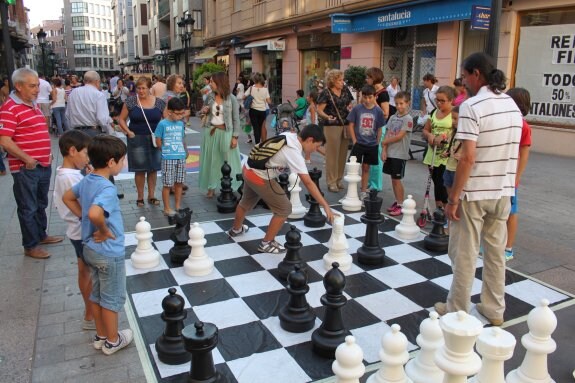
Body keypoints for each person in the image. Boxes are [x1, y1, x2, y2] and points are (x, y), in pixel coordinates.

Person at [434, 52, 523, 326]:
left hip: (474, 192)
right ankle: (494, 309)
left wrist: (453, 197)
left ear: (476, 74)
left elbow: (468, 158)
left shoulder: (474, 106)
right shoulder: (512, 105)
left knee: (465, 252)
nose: (463, 83)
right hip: (502, 191)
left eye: (463, 76)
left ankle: (457, 309)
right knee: (496, 254)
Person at [62, 135, 133, 355]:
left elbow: (67, 197)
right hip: (108, 252)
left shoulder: (88, 178)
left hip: (89, 249)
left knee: (97, 294)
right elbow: (95, 213)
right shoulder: (108, 188)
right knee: (112, 298)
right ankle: (113, 340)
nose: (123, 164)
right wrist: (103, 229)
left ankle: (101, 335)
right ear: (111, 162)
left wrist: (84, 217)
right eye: (122, 160)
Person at [228, 124, 335, 253]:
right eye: (317, 146)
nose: (315, 150)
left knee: (245, 202)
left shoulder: (290, 136)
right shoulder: (294, 152)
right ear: (310, 140)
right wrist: (325, 205)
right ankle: (267, 243)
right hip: (259, 176)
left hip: (248, 168)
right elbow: (308, 182)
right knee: (284, 208)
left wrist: (323, 151)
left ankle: (236, 230)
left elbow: (304, 147)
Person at [0, 68, 63, 259]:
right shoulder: (9, 108)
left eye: (37, 85)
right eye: (32, 86)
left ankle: (41, 234)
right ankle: (30, 245)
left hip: (42, 164)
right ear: (18, 86)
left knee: (40, 202)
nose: (37, 89)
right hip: (26, 167)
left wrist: (47, 154)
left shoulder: (31, 104)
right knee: (28, 206)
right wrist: (27, 158)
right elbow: (4, 140)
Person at [53, 130, 95, 330]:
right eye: (85, 153)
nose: (87, 158)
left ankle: (89, 312)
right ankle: (91, 312)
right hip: (82, 231)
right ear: (72, 151)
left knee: (83, 269)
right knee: (89, 271)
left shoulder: (67, 173)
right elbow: (79, 205)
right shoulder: (69, 178)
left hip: (76, 231)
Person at [66, 71, 123, 199]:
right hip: (93, 131)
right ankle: (108, 190)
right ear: (97, 82)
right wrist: (109, 132)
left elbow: (67, 115)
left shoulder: (73, 93)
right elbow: (102, 118)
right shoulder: (98, 95)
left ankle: (83, 192)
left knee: (81, 163)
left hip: (76, 131)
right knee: (102, 161)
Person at [116, 76, 165, 207]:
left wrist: (164, 134)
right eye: (138, 88)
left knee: (153, 168)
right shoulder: (131, 101)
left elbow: (165, 120)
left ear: (150, 88)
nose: (141, 91)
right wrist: (128, 131)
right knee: (140, 169)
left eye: (144, 88)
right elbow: (121, 119)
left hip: (155, 138)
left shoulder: (159, 102)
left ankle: (152, 195)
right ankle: (140, 196)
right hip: (136, 138)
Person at [198, 72, 242, 198]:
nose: (210, 84)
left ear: (219, 83)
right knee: (211, 161)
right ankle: (211, 187)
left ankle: (233, 185)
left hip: (226, 133)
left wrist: (235, 137)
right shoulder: (209, 97)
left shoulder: (231, 98)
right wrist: (203, 111)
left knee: (228, 160)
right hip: (210, 131)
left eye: (212, 81)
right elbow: (200, 114)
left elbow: (236, 119)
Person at [504, 87, 532, 262]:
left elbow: (524, 154)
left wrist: (516, 177)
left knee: (511, 213)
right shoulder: (505, 122)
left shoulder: (523, 125)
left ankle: (508, 248)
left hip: (510, 176)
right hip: (498, 174)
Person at [317, 69, 354, 192]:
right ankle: (331, 181)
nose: (342, 82)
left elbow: (350, 103)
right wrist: (327, 117)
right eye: (340, 80)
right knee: (332, 154)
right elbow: (319, 110)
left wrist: (350, 107)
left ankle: (339, 179)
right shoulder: (326, 93)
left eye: (342, 79)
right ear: (333, 80)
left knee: (343, 154)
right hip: (331, 125)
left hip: (345, 124)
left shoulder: (345, 90)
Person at [346, 85, 385, 199]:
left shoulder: (378, 111)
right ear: (362, 96)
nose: (367, 100)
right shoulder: (357, 108)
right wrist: (354, 140)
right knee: (352, 167)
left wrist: (377, 142)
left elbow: (379, 128)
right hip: (359, 143)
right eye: (365, 97)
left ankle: (363, 191)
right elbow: (351, 124)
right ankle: (351, 191)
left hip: (371, 144)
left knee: (366, 167)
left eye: (370, 97)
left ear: (375, 97)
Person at [421, 85, 455, 210]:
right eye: (437, 100)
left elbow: (457, 131)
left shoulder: (454, 114)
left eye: (442, 101)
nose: (439, 103)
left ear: (451, 100)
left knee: (443, 182)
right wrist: (429, 135)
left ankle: (447, 208)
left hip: (446, 154)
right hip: (432, 152)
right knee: (435, 181)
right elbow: (425, 129)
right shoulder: (434, 112)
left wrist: (444, 136)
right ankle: (438, 207)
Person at [155, 97, 189, 216]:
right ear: (169, 112)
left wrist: (185, 150)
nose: (180, 116)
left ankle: (178, 206)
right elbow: (158, 138)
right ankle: (167, 208)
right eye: (178, 113)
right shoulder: (162, 124)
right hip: (168, 157)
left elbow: (182, 138)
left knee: (179, 182)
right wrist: (163, 149)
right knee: (167, 184)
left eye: (182, 113)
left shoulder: (180, 124)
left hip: (180, 156)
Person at [381, 91, 413, 216]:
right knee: (393, 179)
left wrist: (385, 141)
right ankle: (397, 201)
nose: (399, 106)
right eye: (397, 103)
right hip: (391, 152)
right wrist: (384, 149)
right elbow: (388, 132)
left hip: (400, 154)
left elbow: (400, 136)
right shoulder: (393, 117)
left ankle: (401, 204)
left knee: (397, 179)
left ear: (407, 104)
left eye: (402, 103)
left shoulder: (408, 119)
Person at [245, 72, 271, 144]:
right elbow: (269, 101)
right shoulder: (265, 89)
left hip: (253, 110)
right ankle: (261, 143)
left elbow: (243, 96)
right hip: (262, 111)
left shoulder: (251, 88)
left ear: (254, 80)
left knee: (255, 127)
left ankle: (257, 144)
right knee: (260, 127)